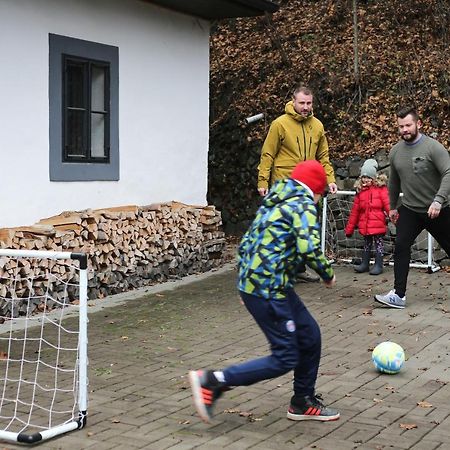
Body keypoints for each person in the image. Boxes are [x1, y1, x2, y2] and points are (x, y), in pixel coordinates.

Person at [189, 160, 340, 424]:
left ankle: (302, 401)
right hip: (268, 289)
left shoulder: (275, 201)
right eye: (321, 194)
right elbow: (309, 248)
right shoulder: (302, 204)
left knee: (310, 335)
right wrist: (328, 274)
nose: (319, 200)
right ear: (315, 189)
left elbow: (248, 241)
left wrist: (244, 282)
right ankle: (213, 381)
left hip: (267, 285)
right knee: (286, 356)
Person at [257, 85, 338, 283]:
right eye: (302, 103)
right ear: (293, 101)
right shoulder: (279, 124)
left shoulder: (317, 126)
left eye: (309, 103)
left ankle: (299, 269)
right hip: (284, 184)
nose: (305, 107)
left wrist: (330, 179)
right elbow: (268, 153)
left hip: (309, 187)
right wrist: (263, 181)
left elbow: (323, 156)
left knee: (305, 228)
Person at [374, 106, 450, 308]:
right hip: (411, 209)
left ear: (418, 124)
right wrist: (392, 206)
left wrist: (438, 200)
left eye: (408, 125)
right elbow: (394, 182)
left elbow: (448, 173)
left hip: (438, 209)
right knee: (400, 246)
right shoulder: (396, 152)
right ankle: (398, 295)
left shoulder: (433, 148)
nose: (405, 129)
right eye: (401, 126)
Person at [345, 159, 390, 275]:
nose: (365, 180)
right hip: (365, 224)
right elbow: (355, 211)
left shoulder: (381, 189)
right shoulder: (360, 192)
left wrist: (396, 219)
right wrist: (349, 229)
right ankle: (365, 264)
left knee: (378, 243)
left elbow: (388, 205)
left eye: (368, 177)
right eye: (363, 177)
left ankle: (378, 265)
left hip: (378, 223)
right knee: (367, 243)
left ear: (373, 178)